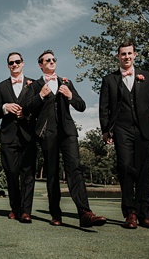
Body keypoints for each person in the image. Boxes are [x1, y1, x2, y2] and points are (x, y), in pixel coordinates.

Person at [99, 42, 149, 230]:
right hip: (122, 129)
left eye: (129, 53)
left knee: (144, 173)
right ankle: (130, 213)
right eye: (122, 54)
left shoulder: (148, 77)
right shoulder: (109, 80)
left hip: (144, 130)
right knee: (125, 167)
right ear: (118, 56)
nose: (126, 57)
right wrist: (105, 130)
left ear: (135, 55)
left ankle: (144, 215)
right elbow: (104, 108)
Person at [33, 50, 107, 227]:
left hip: (68, 133)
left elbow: (81, 105)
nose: (51, 61)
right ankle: (56, 214)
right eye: (47, 60)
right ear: (40, 65)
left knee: (75, 169)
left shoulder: (67, 83)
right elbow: (28, 107)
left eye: (53, 59)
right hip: (47, 134)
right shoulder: (35, 85)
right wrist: (40, 96)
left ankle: (85, 213)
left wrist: (70, 95)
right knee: (52, 174)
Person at [0, 52, 39, 222]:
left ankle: (26, 211)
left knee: (28, 175)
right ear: (8, 66)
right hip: (8, 136)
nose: (14, 65)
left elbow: (40, 109)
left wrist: (27, 115)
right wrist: (5, 107)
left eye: (17, 62)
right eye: (11, 63)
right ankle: (15, 208)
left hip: (28, 135)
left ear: (23, 63)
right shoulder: (1, 87)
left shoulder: (34, 85)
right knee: (11, 173)